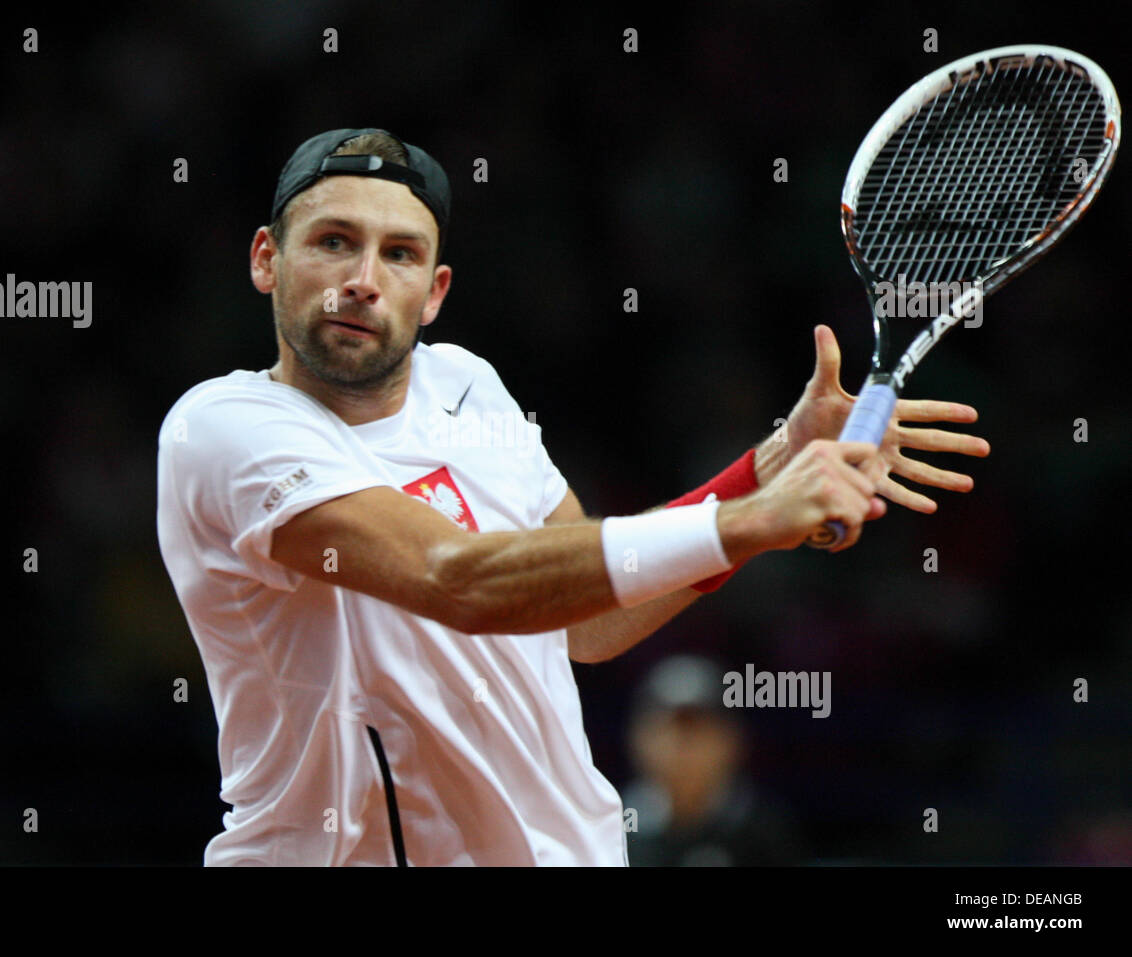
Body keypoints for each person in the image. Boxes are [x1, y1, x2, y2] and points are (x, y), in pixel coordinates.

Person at [155, 127, 989, 866]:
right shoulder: (224, 428)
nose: (364, 280)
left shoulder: (467, 385)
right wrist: (745, 523)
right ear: (267, 258)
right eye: (334, 242)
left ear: (435, 290)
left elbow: (589, 618)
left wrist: (770, 469)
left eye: (400, 253)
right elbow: (462, 577)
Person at [623, 655, 806, 866]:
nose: (682, 744)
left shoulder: (764, 827)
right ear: (639, 738)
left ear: (731, 739)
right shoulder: (615, 823)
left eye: (698, 729)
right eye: (670, 728)